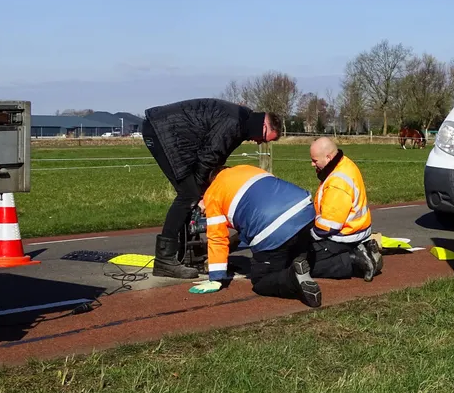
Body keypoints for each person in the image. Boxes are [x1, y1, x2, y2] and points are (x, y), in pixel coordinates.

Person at [141, 98, 282, 279]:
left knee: (191, 195)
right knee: (188, 195)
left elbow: (216, 156)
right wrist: (201, 193)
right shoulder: (235, 123)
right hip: (162, 132)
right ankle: (165, 259)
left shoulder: (241, 121)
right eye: (262, 137)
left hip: (173, 134)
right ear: (263, 124)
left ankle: (186, 255)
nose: (258, 142)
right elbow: (209, 156)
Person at [189, 164, 322, 308]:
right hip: (305, 211)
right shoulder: (247, 168)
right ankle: (304, 262)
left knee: (260, 280)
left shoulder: (213, 193)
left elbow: (217, 239)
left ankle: (293, 278)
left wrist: (216, 277)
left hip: (272, 228)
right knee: (294, 253)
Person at [308, 137, 382, 282]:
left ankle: (354, 261)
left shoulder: (337, 182)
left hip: (343, 236)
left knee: (304, 262)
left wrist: (305, 236)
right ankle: (364, 251)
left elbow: (327, 227)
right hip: (357, 230)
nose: (312, 164)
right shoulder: (345, 163)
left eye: (315, 160)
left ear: (328, 157)